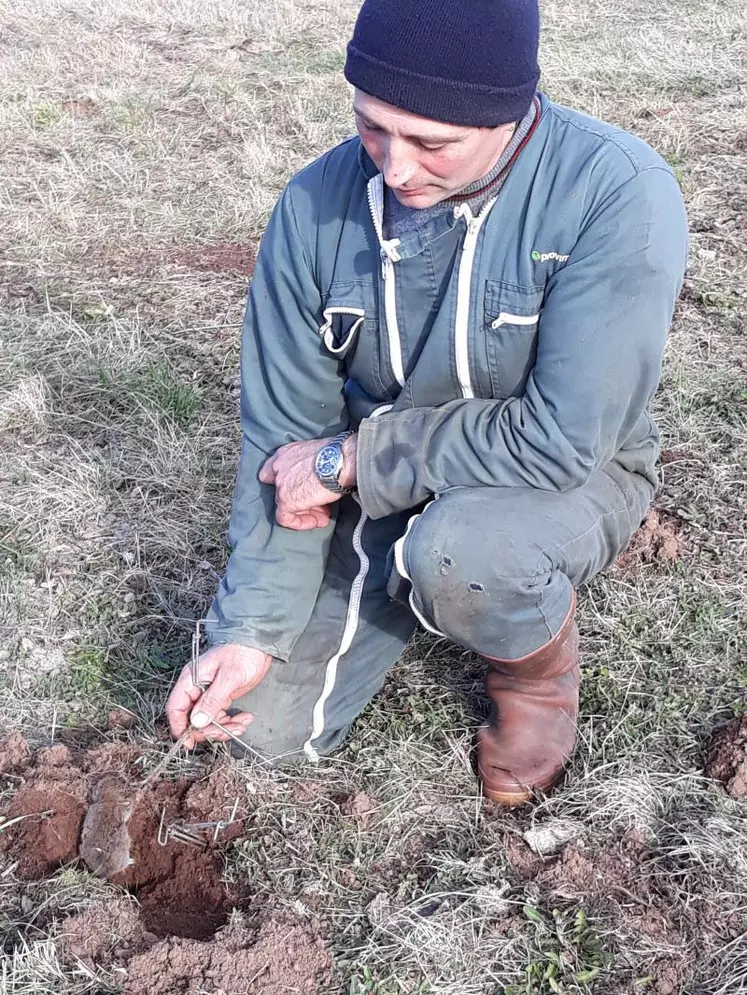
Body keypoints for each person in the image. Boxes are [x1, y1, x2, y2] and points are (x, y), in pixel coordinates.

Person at [166, 0, 688, 805]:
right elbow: (282, 439)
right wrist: (250, 630)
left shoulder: (613, 194)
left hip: (563, 474)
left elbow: (561, 438)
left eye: (432, 143)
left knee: (463, 554)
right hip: (369, 484)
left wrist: (353, 459)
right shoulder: (312, 209)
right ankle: (391, 579)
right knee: (259, 731)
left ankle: (536, 682)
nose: (395, 170)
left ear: (510, 117)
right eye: (372, 128)